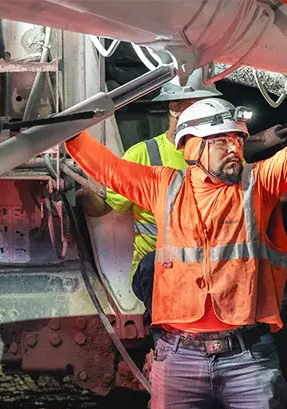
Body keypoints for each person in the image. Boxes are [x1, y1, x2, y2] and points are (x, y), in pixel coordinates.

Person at [65, 80, 287, 409]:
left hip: (247, 356)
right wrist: (68, 133)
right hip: (178, 358)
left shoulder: (257, 185)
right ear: (193, 147)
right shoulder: (162, 186)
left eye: (239, 141)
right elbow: (109, 168)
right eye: (222, 142)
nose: (235, 150)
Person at [78, 70, 221, 325]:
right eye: (198, 105)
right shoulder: (144, 155)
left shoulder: (220, 153)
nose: (207, 115)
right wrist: (83, 193)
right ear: (174, 107)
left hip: (211, 267)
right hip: (159, 272)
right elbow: (102, 207)